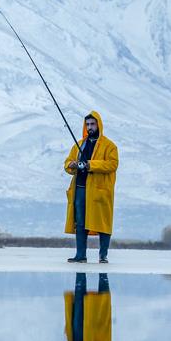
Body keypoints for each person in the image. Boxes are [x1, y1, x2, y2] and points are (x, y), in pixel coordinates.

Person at [64, 111, 119, 263]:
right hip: (80, 189)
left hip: (99, 191)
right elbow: (67, 163)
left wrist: (90, 165)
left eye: (92, 124)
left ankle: (103, 256)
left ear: (99, 125)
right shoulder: (79, 144)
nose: (90, 127)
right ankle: (80, 255)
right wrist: (72, 165)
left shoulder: (110, 146)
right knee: (80, 222)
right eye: (87, 124)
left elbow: (112, 164)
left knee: (102, 223)